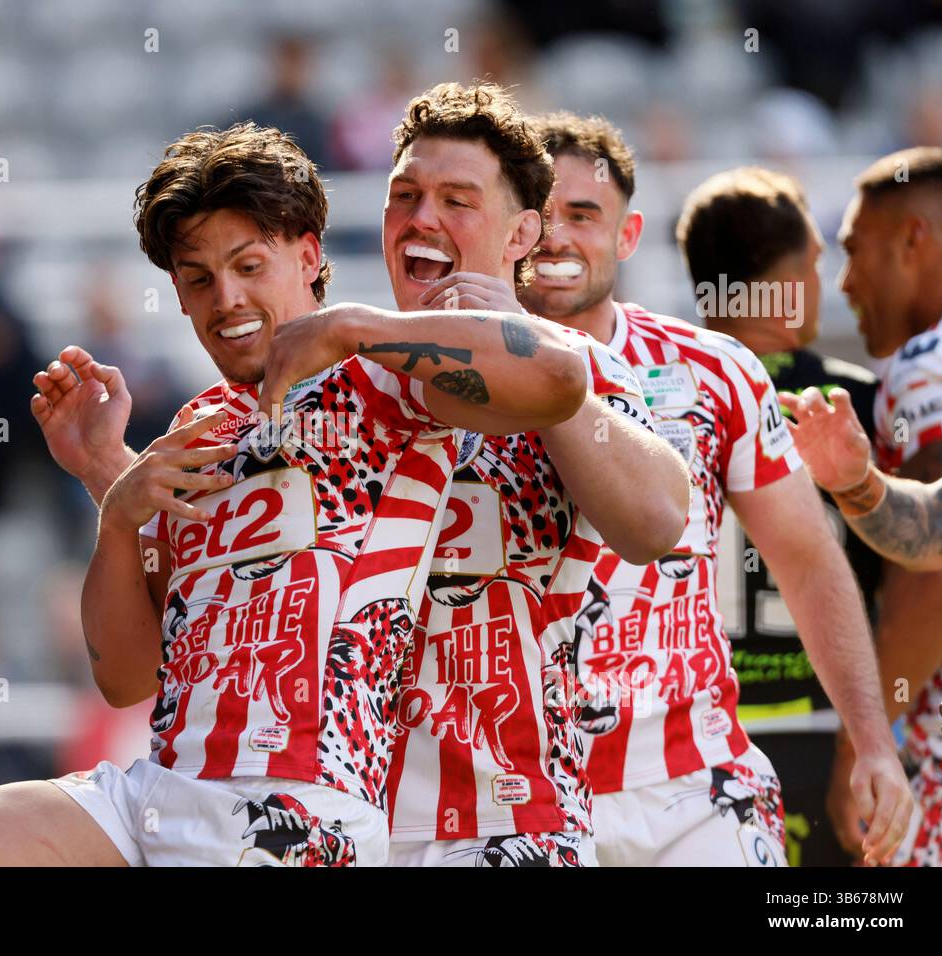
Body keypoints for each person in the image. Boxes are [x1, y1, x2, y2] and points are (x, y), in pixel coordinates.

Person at [0, 122, 588, 866]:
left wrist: (361, 325)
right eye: (199, 278)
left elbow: (560, 378)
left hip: (297, 805)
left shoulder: (390, 380)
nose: (226, 298)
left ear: (309, 254)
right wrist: (110, 487)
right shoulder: (196, 425)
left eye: (248, 264)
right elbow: (127, 676)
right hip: (155, 788)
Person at [515, 112, 912, 866]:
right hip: (520, 794)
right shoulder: (435, 377)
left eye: (583, 214)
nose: (556, 237)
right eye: (537, 215)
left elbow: (805, 557)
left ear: (628, 236)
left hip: (696, 786)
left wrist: (873, 743)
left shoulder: (713, 368)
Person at [376, 82, 690, 867]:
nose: (422, 218)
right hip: (350, 823)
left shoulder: (582, 368)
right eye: (405, 195)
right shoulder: (344, 374)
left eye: (457, 199)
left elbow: (656, 522)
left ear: (521, 234)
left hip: (513, 829)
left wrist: (523, 353)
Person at [673, 166, 880, 866]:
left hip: (688, 735)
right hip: (823, 725)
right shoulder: (857, 404)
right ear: (790, 272)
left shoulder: (655, 395)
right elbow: (906, 578)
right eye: (817, 262)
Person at [776, 144, 942, 868]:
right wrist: (858, 485)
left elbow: (939, 574)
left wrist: (863, 739)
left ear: (915, 239)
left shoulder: (929, 365)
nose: (846, 283)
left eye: (855, 251)